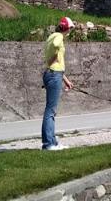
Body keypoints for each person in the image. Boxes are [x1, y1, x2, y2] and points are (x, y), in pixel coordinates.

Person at [41, 16, 75, 150]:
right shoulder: (58, 37)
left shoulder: (50, 36)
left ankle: (52, 142)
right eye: (70, 28)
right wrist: (57, 48)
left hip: (53, 73)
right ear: (66, 28)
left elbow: (56, 63)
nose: (70, 31)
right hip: (54, 75)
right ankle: (48, 144)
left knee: (50, 111)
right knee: (50, 111)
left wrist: (66, 81)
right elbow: (56, 46)